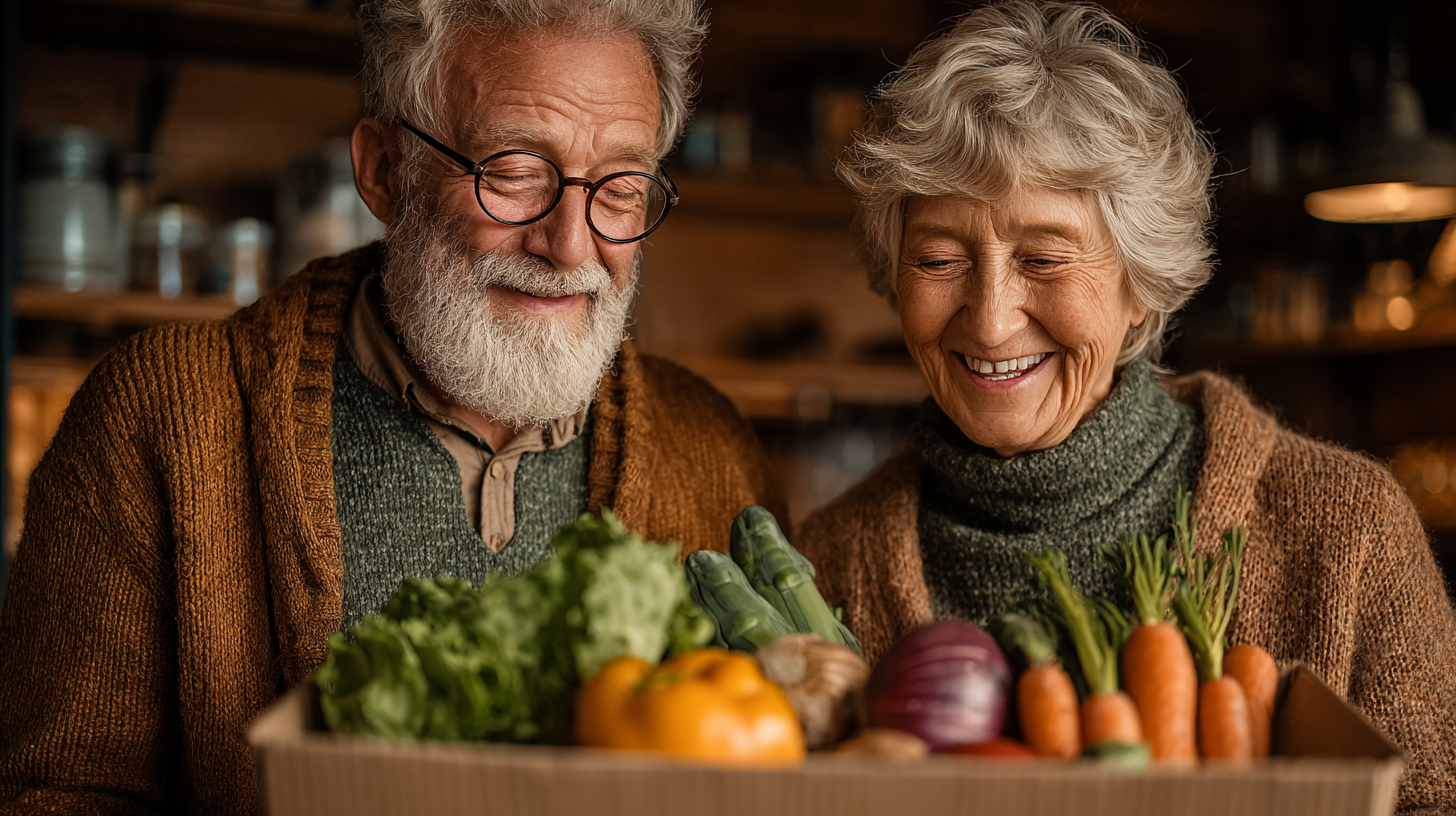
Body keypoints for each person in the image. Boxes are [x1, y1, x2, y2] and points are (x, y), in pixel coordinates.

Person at [0, 1, 786, 811]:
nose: (571, 245)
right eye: (514, 172)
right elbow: (55, 795)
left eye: (620, 188)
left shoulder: (714, 448)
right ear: (383, 170)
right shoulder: (159, 417)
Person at [795, 1, 1456, 810]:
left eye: (1043, 258)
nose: (991, 320)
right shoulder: (823, 568)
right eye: (938, 259)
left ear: (1139, 285)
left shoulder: (1348, 533)